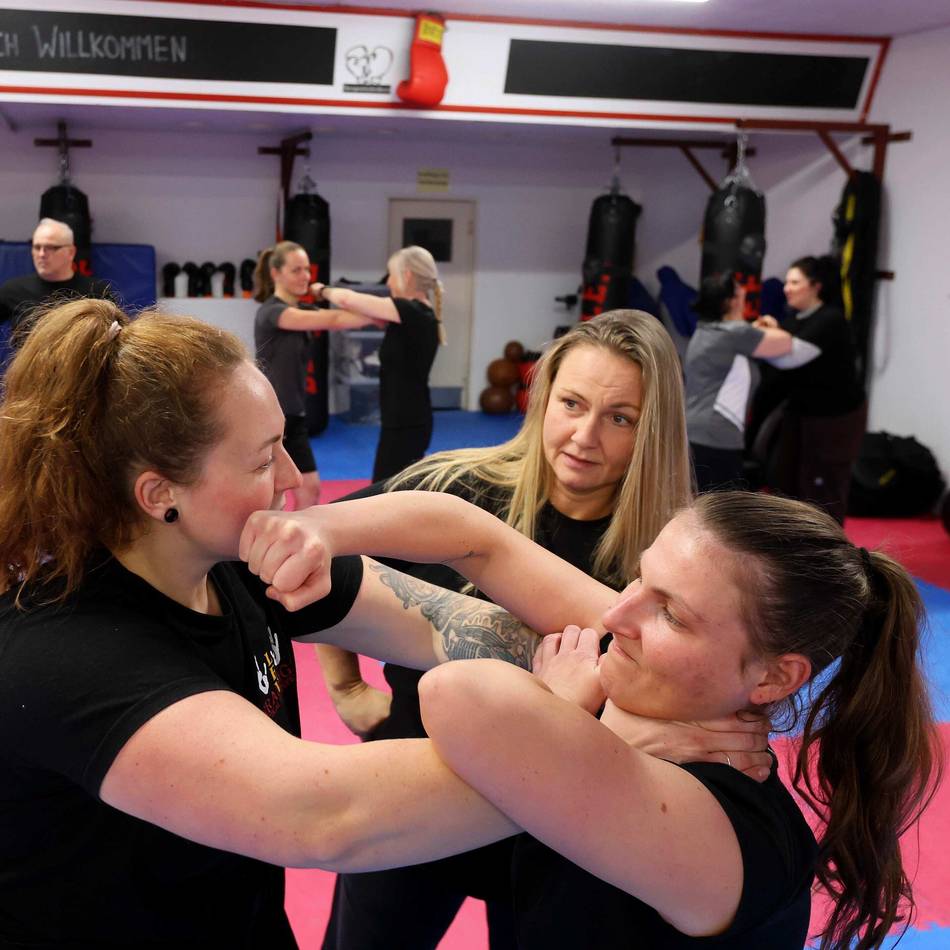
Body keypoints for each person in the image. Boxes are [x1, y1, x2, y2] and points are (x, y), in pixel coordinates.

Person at [0, 299, 766, 948]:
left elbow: (459, 625)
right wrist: (603, 747)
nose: (299, 481)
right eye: (265, 459)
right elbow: (331, 817)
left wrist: (696, 679)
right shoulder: (68, 651)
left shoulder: (239, 565)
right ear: (158, 492)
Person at [243, 486, 942, 950]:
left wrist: (566, 712)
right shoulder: (659, 681)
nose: (614, 612)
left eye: (668, 610)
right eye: (640, 578)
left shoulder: (727, 831)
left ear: (773, 676)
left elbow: (459, 696)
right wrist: (305, 529)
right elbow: (471, 536)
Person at [316, 309, 695, 949]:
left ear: (652, 432)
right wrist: (347, 687)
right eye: (571, 403)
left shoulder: (667, 552)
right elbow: (324, 553)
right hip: (418, 777)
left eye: (620, 418)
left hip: (559, 818)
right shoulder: (453, 490)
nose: (584, 435)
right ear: (543, 398)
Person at [254, 241, 396, 507]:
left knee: (299, 491)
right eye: (296, 270)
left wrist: (384, 315)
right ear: (276, 274)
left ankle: (285, 542)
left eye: (308, 270)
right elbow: (332, 320)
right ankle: (280, 543)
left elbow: (342, 318)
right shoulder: (272, 312)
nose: (306, 276)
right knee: (294, 491)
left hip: (292, 415)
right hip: (273, 417)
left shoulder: (301, 310)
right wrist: (330, 292)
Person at [312, 245, 446, 481]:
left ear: (406, 276)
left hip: (406, 423)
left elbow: (345, 298)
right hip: (405, 418)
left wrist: (321, 289)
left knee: (387, 491)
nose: (389, 283)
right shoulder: (414, 314)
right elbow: (358, 314)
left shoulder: (409, 310)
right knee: (393, 490)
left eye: (391, 275)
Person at [685, 272, 819, 492]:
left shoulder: (706, 330)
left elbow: (740, 336)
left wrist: (754, 329)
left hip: (695, 433)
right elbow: (785, 342)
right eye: (741, 295)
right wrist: (771, 327)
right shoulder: (737, 334)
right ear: (732, 301)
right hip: (717, 435)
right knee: (722, 514)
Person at [760, 255, 867, 524]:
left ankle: (830, 555)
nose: (787, 288)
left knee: (823, 489)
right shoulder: (796, 319)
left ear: (815, 286)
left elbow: (790, 358)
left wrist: (749, 339)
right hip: (803, 413)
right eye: (786, 282)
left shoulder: (830, 320)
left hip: (834, 419)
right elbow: (786, 343)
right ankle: (795, 550)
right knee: (788, 481)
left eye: (795, 282)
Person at [0, 217, 114, 337]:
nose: (42, 254)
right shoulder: (13, 290)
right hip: (29, 355)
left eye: (51, 248)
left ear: (71, 252)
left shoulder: (97, 291)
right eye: (37, 247)